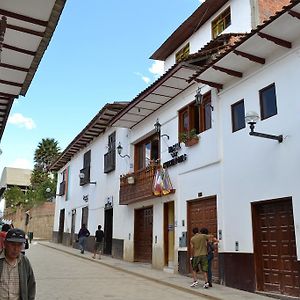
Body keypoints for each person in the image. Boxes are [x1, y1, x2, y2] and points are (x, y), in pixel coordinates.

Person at [0, 228, 36, 299]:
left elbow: (31, 285)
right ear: (5, 244)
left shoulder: (25, 261)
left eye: (19, 245)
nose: (16, 249)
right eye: (12, 244)